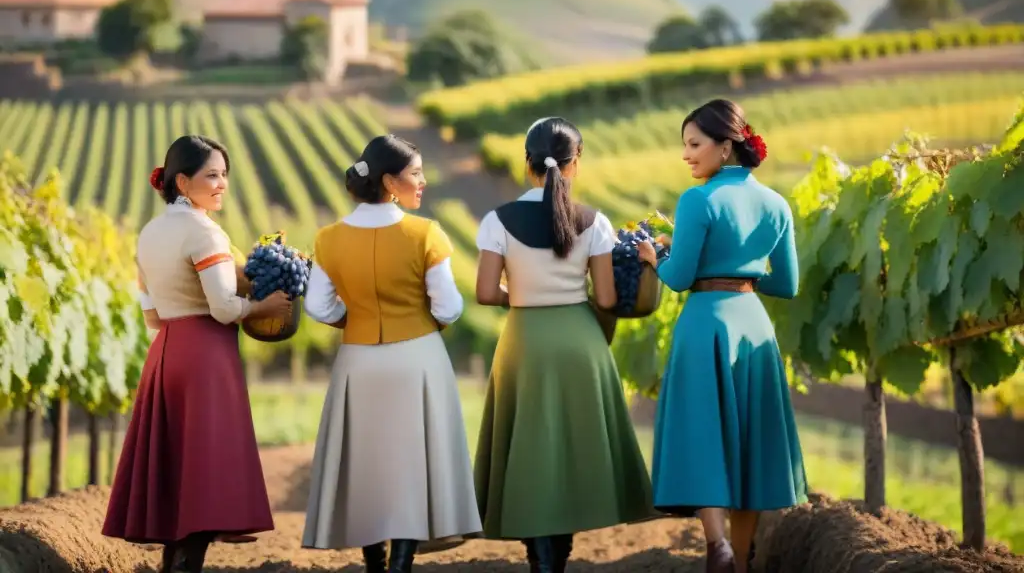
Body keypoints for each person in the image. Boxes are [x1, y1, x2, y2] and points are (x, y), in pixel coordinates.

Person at [102, 135, 292, 573]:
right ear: (182, 182)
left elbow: (151, 315)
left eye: (225, 174)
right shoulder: (205, 232)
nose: (222, 183)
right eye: (212, 175)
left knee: (176, 480)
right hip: (207, 358)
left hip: (166, 354)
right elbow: (225, 308)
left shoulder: (149, 233)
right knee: (204, 480)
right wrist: (264, 306)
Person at [473, 117, 654, 573]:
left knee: (531, 451)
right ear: (576, 162)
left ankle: (539, 559)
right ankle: (561, 553)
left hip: (524, 342)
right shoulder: (595, 220)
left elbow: (485, 292)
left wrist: (526, 295)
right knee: (571, 452)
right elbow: (608, 298)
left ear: (526, 163)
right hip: (580, 342)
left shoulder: (497, 220)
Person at [637, 99, 808, 573]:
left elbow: (679, 277)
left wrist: (655, 257)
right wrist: (745, 276)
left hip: (704, 324)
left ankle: (719, 548)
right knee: (749, 442)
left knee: (703, 434)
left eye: (694, 144)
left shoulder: (698, 200)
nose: (687, 155)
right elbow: (788, 284)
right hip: (753, 325)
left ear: (726, 145)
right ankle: (744, 556)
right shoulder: (776, 204)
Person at [301, 134, 482, 573]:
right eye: (415, 173)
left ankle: (375, 564)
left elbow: (318, 307)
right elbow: (450, 307)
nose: (423, 181)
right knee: (411, 468)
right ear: (389, 181)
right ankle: (402, 562)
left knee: (368, 466)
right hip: (418, 358)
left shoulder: (329, 238)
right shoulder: (425, 233)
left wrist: (359, 317)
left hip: (358, 361)